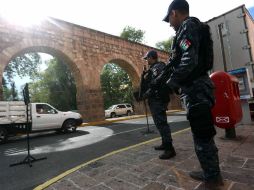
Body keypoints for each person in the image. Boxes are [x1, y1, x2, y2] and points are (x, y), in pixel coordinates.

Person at [162, 0, 223, 187]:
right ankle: (210, 172)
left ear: (174, 13)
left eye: (170, 20)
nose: (170, 24)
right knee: (202, 133)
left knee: (202, 134)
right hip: (198, 86)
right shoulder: (193, 27)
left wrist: (174, 80)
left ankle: (212, 177)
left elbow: (189, 58)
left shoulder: (187, 26)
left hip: (196, 88)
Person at [141, 50, 176, 160]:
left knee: (162, 123)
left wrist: (149, 92)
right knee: (159, 123)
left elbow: (158, 83)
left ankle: (170, 149)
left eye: (147, 58)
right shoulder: (153, 68)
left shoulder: (159, 67)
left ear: (152, 57)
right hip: (154, 99)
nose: (146, 60)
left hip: (158, 99)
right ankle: (164, 144)